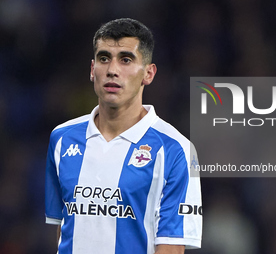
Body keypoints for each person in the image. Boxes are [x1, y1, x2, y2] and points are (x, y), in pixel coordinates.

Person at [45, 18, 202, 254]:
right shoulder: (62, 139)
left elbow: (171, 246)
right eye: (104, 58)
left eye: (126, 60)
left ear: (148, 74)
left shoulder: (176, 150)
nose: (112, 70)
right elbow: (63, 230)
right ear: (92, 70)